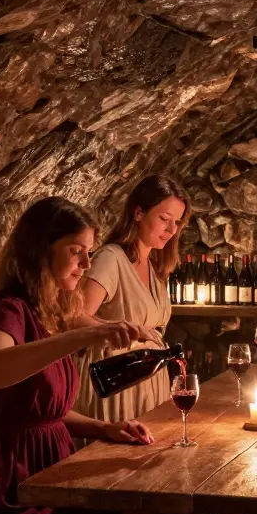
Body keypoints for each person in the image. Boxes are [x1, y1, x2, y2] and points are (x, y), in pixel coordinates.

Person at [0, 196, 186, 514]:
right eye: (75, 251)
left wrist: (104, 429)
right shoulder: (7, 308)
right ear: (41, 248)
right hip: (10, 495)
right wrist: (76, 337)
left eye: (88, 253)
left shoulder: (46, 310)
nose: (84, 264)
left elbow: (46, 411)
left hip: (54, 475)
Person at [75, 175, 190, 423]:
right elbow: (74, 318)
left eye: (177, 222)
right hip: (117, 381)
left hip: (148, 380)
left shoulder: (155, 266)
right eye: (164, 219)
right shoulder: (111, 259)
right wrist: (114, 330)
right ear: (138, 213)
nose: (171, 230)